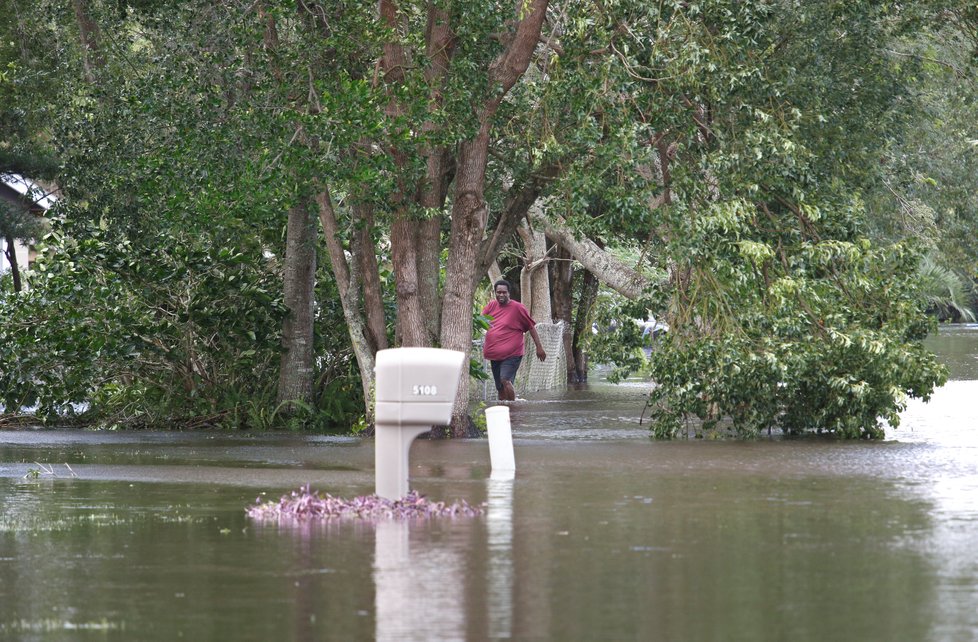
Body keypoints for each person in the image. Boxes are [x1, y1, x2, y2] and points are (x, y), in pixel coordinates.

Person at [482, 279, 546, 401]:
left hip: (512, 354)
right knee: (500, 388)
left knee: (505, 380)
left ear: (508, 293)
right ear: (495, 292)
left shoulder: (518, 308)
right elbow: (481, 321)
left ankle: (513, 407)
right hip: (495, 355)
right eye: (498, 292)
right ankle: (504, 412)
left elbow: (531, 327)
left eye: (504, 292)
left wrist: (539, 347)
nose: (501, 295)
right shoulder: (491, 306)